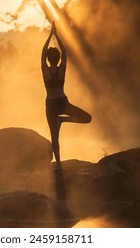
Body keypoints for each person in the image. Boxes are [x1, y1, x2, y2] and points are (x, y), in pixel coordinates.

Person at [41, 21, 92, 169]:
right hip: (62, 103)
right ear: (57, 59)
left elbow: (42, 54)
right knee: (87, 118)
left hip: (51, 104)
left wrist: (50, 35)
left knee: (54, 136)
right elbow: (65, 53)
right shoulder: (62, 69)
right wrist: (56, 35)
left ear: (49, 60)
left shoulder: (45, 71)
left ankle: (58, 164)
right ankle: (63, 120)